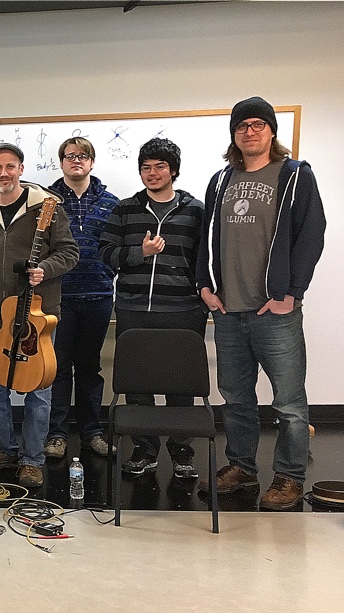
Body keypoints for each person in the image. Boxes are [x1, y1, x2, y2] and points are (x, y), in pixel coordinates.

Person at [197, 96, 326, 510]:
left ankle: (289, 477)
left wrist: (292, 293)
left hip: (275, 311)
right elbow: (207, 239)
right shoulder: (220, 180)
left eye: (257, 124)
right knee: (236, 397)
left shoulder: (294, 175)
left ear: (271, 130)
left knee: (288, 402)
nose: (249, 131)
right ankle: (242, 468)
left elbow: (312, 235)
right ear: (233, 134)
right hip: (229, 310)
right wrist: (205, 284)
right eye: (242, 126)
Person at [0, 143, 78, 488]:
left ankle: (32, 459)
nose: (3, 173)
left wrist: (45, 268)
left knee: (38, 390)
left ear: (21, 169)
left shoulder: (46, 205)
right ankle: (3, 449)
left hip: (37, 316)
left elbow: (69, 252)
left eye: (10, 167)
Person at [99, 137, 208, 479]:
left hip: (183, 310)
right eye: (146, 167)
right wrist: (140, 254)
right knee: (138, 387)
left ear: (173, 170)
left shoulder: (195, 210)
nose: (152, 173)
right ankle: (144, 451)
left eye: (160, 166)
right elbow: (106, 256)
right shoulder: (125, 209)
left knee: (180, 387)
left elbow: (207, 260)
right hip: (133, 309)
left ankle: (181, 454)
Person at [45, 137, 119, 461]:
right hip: (56, 300)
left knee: (89, 367)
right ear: (61, 162)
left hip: (98, 297)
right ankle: (57, 434)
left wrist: (107, 273)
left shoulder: (111, 202)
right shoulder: (44, 202)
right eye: (70, 156)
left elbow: (116, 248)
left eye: (83, 155)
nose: (77, 160)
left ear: (92, 162)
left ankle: (92, 432)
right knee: (57, 368)